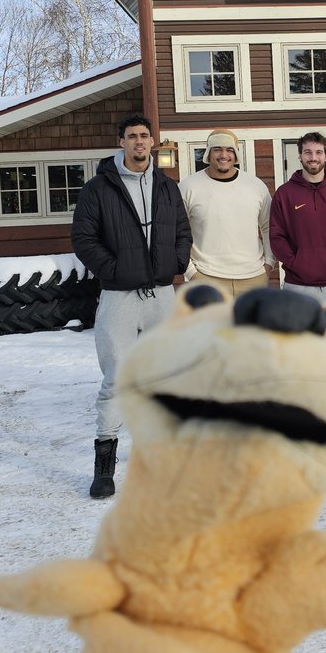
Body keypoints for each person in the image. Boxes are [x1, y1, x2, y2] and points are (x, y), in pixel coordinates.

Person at [71, 114, 192, 498]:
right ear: (120, 142)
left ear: (152, 141)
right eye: (132, 137)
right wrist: (115, 270)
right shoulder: (97, 189)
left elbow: (183, 231)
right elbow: (83, 238)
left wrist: (174, 263)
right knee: (116, 379)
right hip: (118, 297)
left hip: (160, 295)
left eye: (144, 136)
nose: (139, 142)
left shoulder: (166, 186)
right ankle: (104, 465)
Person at [269, 131, 326, 310]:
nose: (313, 157)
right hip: (299, 286)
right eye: (308, 152)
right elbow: (276, 235)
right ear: (300, 155)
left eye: (318, 152)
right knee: (301, 338)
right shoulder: (285, 193)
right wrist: (296, 263)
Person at [179, 128, 274, 296]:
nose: (224, 155)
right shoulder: (188, 187)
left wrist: (269, 264)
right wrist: (191, 273)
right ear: (208, 153)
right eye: (217, 149)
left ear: (236, 154)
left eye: (229, 150)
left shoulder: (255, 186)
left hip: (253, 278)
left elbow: (268, 226)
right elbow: (176, 231)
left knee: (250, 324)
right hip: (206, 277)